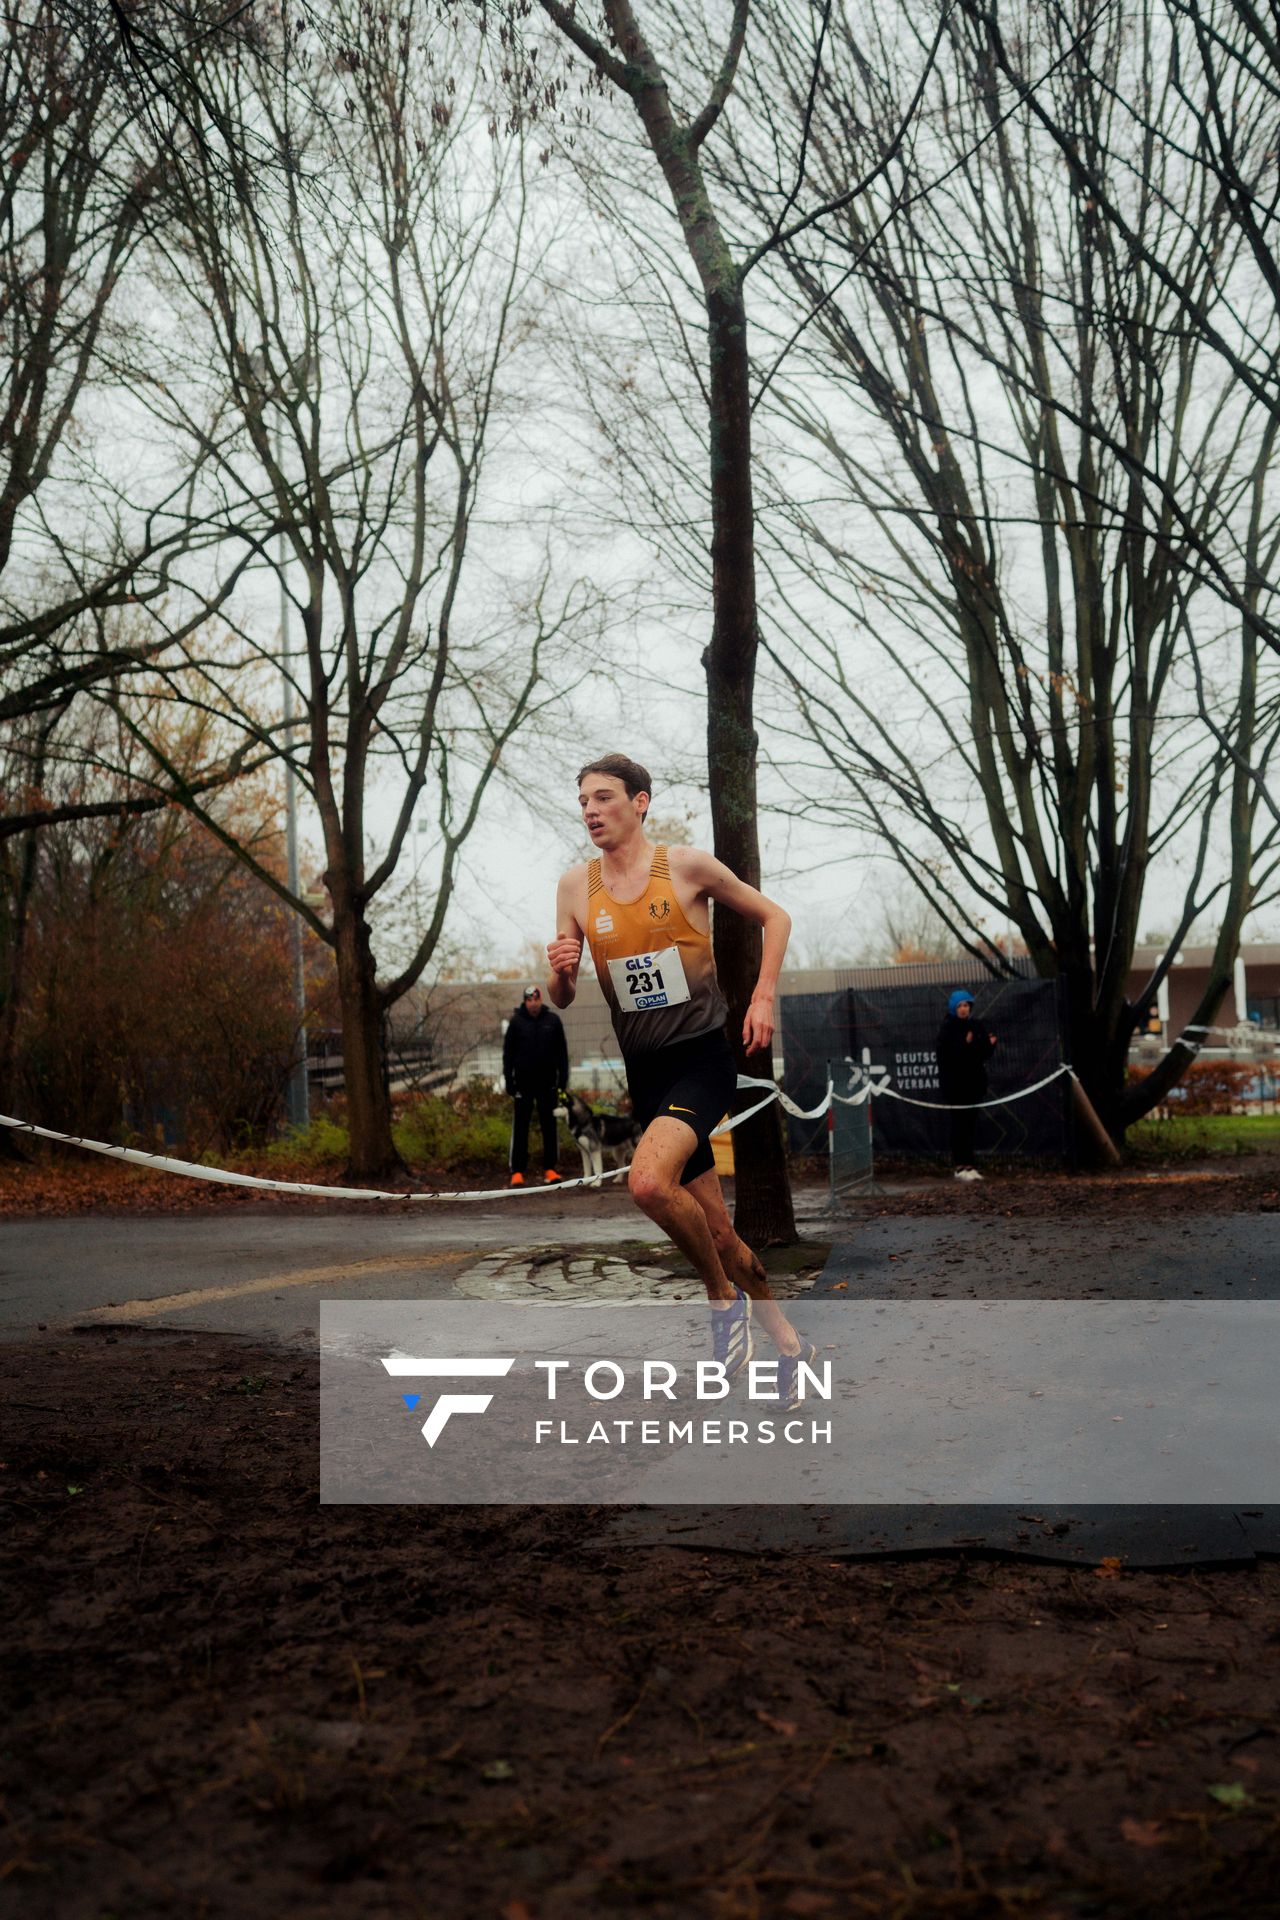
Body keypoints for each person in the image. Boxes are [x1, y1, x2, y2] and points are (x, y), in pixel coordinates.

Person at [545, 752, 816, 1405]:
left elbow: (775, 917)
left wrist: (762, 996)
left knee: (645, 1182)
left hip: (701, 1061)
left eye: (603, 797)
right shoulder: (575, 888)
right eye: (583, 800)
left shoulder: (686, 867)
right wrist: (557, 970)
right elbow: (559, 996)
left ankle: (722, 1303)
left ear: (639, 802)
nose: (590, 810)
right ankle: (788, 1344)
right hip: (648, 1076)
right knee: (719, 1234)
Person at [503, 985, 568, 1187]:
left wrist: (562, 1082)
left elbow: (562, 1054)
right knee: (520, 1127)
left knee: (549, 1127)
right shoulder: (516, 1022)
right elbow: (508, 1055)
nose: (533, 1003)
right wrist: (509, 1081)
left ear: (541, 1000)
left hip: (548, 1084)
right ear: (525, 1001)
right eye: (529, 1000)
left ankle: (550, 1169)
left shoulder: (553, 1021)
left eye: (536, 1000)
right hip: (523, 1085)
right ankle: (518, 1171)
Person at [935, 989, 997, 1181]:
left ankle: (970, 1165)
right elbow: (947, 1057)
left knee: (970, 1125)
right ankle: (959, 1166)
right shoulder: (947, 1029)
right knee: (959, 1125)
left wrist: (990, 1044)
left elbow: (982, 1053)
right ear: (954, 1008)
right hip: (956, 1087)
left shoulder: (976, 1025)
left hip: (973, 1085)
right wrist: (965, 1043)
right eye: (960, 1006)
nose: (964, 1009)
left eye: (966, 1005)